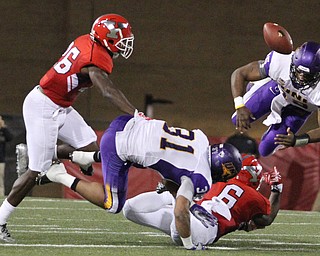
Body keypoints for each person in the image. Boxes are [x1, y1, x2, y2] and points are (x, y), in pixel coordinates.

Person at [0, 14, 138, 243]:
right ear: (107, 38)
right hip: (43, 106)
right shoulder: (95, 57)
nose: (125, 43)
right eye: (121, 38)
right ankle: (1, 219)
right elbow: (107, 91)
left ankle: (43, 153)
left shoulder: (87, 40)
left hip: (61, 106)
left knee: (92, 148)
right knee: (35, 172)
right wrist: (136, 114)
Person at [41, 112, 243, 250]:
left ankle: (84, 157)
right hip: (120, 146)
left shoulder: (202, 140)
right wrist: (189, 245)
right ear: (221, 168)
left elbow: (172, 165)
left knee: (140, 158)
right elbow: (180, 212)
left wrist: (173, 191)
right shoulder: (201, 175)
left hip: (128, 124)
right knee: (112, 204)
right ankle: (57, 174)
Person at [122, 154, 282, 247]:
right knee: (185, 210)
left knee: (129, 208)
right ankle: (175, 194)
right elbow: (267, 219)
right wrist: (276, 190)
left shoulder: (217, 178)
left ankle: (174, 194)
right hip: (204, 227)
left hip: (192, 214)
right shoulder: (252, 196)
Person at [231, 41, 320, 157]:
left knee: (265, 150)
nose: (301, 78)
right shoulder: (281, 60)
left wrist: (298, 140)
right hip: (277, 91)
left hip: (299, 110)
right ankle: (261, 82)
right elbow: (239, 73)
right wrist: (239, 105)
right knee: (237, 119)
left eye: (307, 75)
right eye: (298, 71)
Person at [0, 116, 13, 197]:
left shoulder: (3, 132)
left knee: (0, 181)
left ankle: (1, 196)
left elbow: (10, 137)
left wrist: (3, 128)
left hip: (0, 160)